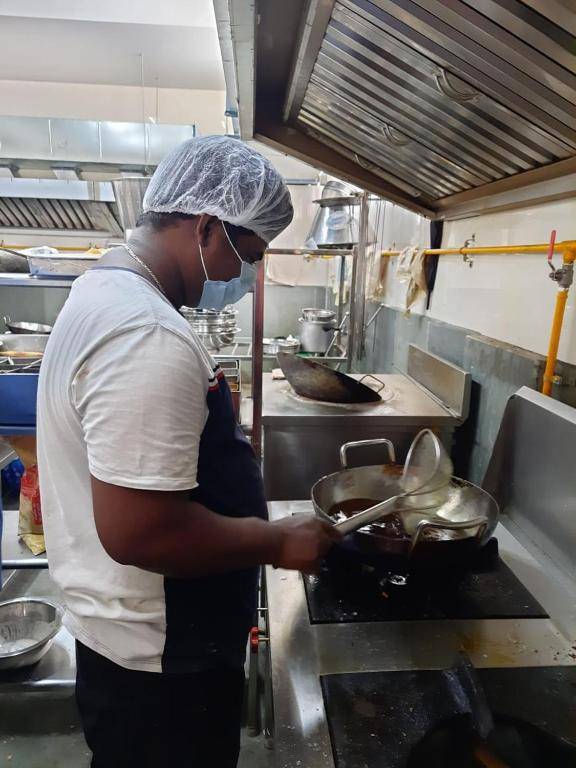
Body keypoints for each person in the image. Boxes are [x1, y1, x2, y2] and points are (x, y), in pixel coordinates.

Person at [37, 136, 339, 768]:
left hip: (132, 646)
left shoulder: (103, 293)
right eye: (248, 254)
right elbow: (142, 533)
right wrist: (276, 542)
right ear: (205, 227)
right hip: (160, 665)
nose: (243, 277)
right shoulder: (145, 333)